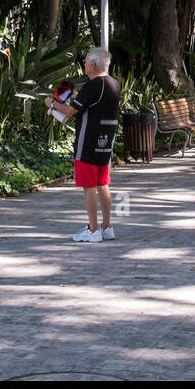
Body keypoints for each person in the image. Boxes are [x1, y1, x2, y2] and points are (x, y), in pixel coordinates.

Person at [45, 47, 120, 242]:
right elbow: (93, 103)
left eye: (86, 61)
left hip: (88, 141)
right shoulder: (113, 84)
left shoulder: (92, 85)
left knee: (88, 186)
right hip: (105, 141)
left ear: (93, 64)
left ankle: (93, 230)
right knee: (103, 183)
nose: (84, 64)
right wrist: (74, 94)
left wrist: (51, 104)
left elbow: (69, 112)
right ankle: (106, 226)